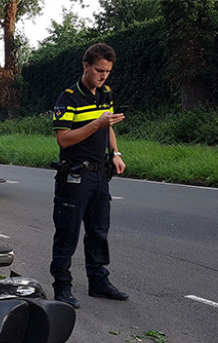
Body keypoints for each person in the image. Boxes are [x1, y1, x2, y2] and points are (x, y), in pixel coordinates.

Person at [50, 42, 129, 309]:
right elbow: (63, 139)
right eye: (99, 70)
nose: (103, 76)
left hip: (99, 175)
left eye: (107, 71)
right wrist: (96, 123)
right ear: (86, 66)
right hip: (75, 177)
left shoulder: (105, 93)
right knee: (67, 233)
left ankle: (98, 282)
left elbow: (108, 127)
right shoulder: (68, 98)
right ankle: (62, 287)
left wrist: (116, 153)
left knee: (98, 232)